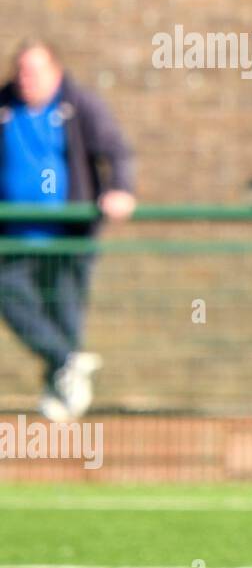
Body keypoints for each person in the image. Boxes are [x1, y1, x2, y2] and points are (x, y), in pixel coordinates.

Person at [0, 38, 137, 421]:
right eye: (21, 71)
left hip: (67, 235)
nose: (26, 79)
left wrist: (120, 190)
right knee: (11, 299)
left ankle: (59, 393)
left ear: (55, 72)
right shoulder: (4, 107)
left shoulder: (79, 105)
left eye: (35, 71)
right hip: (13, 235)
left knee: (64, 312)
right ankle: (66, 363)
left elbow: (117, 151)